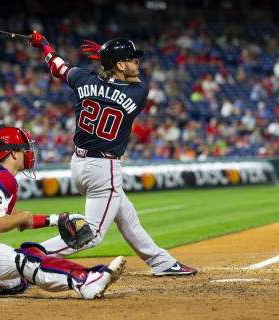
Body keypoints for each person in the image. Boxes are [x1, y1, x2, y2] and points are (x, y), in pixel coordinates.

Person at [28, 31, 197, 276]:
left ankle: (161, 262)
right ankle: (31, 255)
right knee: (92, 234)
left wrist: (43, 44)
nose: (137, 64)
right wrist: (104, 56)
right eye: (132, 60)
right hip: (103, 169)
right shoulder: (137, 92)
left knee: (127, 217)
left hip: (79, 164)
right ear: (120, 64)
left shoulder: (82, 79)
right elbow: (126, 83)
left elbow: (58, 66)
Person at [0, 127, 126, 299]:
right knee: (26, 260)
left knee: (16, 282)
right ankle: (85, 281)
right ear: (14, 153)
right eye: (26, 148)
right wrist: (22, 217)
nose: (30, 152)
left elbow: (10, 216)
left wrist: (54, 220)